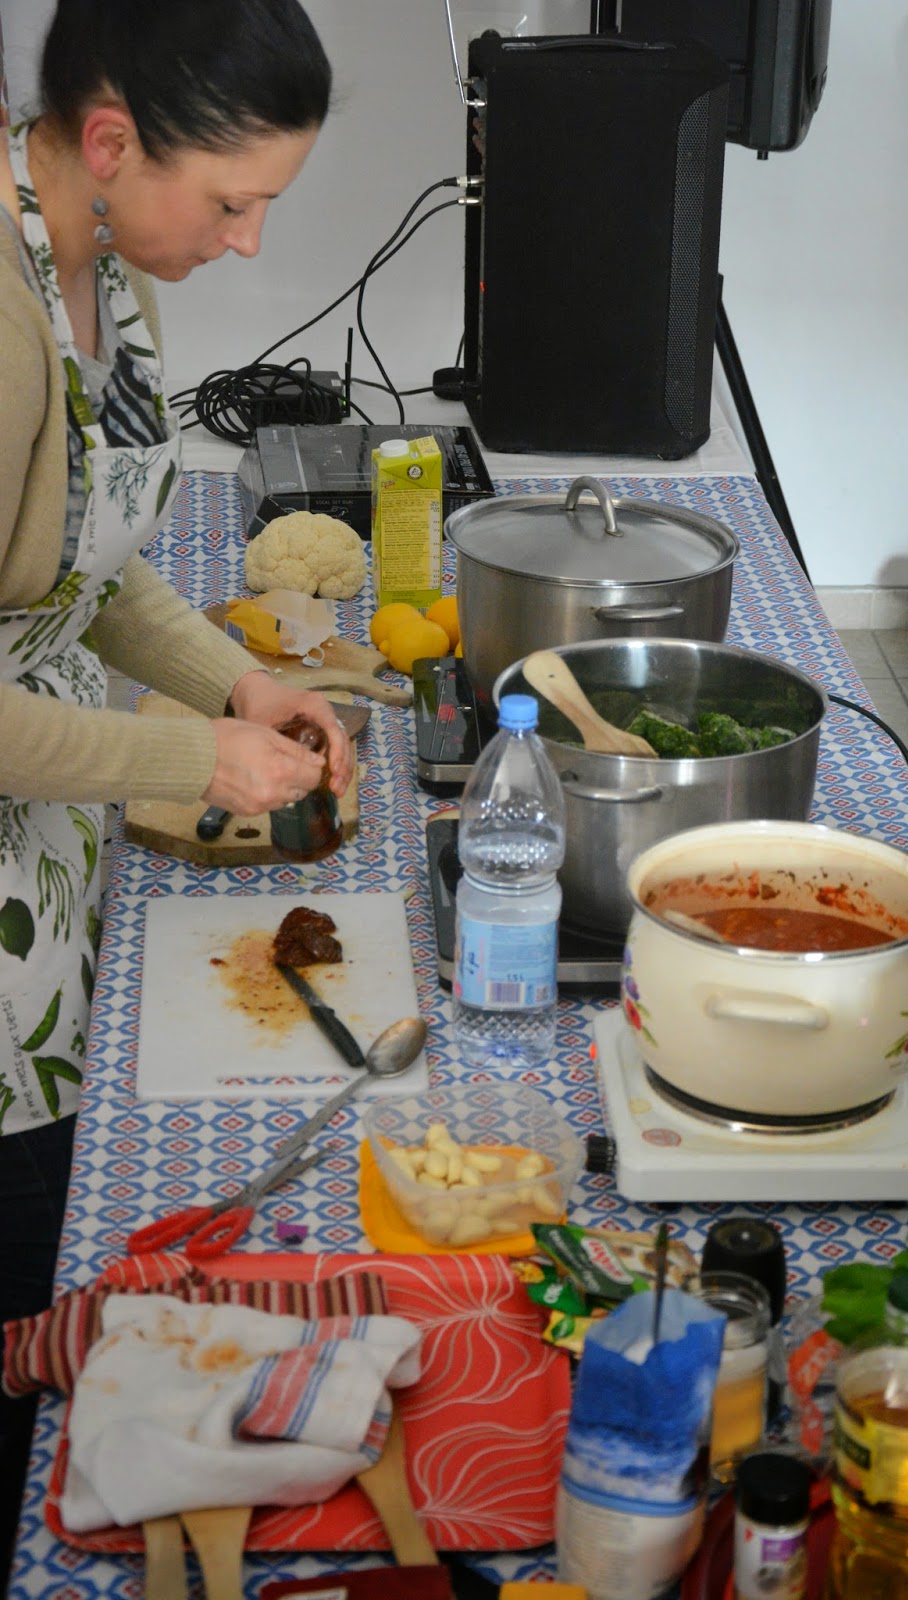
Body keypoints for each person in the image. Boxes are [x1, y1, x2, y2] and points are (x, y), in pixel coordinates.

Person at [0, 1, 348, 1581]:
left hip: (44, 826)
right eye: (232, 201)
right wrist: (191, 757)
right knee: (24, 1270)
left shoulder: (104, 264)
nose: (249, 240)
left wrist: (234, 684)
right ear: (112, 139)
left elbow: (92, 564)